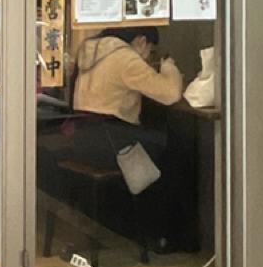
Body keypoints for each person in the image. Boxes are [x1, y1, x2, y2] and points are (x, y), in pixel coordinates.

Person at [69, 26, 186, 251]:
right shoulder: (125, 57)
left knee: (158, 145)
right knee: (173, 149)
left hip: (83, 141)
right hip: (111, 144)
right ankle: (163, 235)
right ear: (141, 41)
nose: (148, 57)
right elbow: (170, 94)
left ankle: (127, 225)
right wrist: (168, 67)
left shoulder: (89, 50)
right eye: (150, 50)